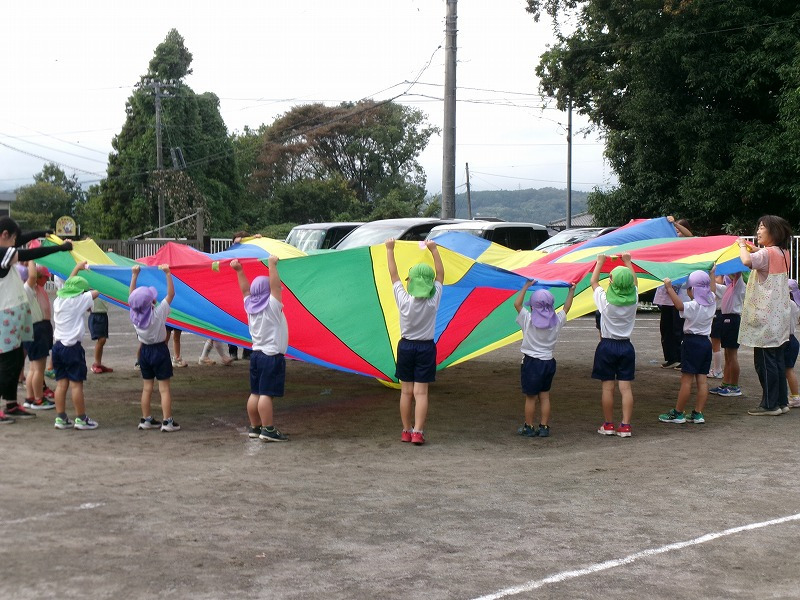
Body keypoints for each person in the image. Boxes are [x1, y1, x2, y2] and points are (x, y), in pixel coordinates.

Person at [0, 218, 72, 424]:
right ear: (5, 234)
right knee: (5, 362)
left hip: (16, 312)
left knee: (15, 361)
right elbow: (29, 253)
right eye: (13, 238)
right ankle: (6, 405)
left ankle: (12, 404)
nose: (16, 242)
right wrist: (60, 248)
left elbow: (22, 240)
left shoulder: (4, 247)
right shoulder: (1, 253)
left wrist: (42, 232)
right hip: (5, 314)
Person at [385, 238, 444, 446]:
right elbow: (441, 275)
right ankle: (418, 432)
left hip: (406, 347)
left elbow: (393, 275)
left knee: (406, 392)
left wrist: (390, 249)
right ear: (428, 284)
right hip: (426, 348)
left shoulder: (403, 300)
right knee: (421, 393)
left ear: (410, 281)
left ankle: (405, 430)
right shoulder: (433, 300)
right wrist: (434, 250)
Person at [738, 216, 793, 416]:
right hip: (778, 318)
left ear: (774, 232)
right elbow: (763, 257)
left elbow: (746, 261)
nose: (758, 231)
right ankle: (781, 401)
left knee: (764, 362)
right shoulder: (783, 252)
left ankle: (769, 405)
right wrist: (753, 248)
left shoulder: (766, 254)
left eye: (762, 228)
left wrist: (741, 246)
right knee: (777, 359)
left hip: (764, 317)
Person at [231, 255, 289, 442]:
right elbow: (275, 287)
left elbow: (245, 290)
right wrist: (272, 265)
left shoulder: (249, 306)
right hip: (271, 356)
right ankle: (268, 429)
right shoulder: (272, 306)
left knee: (255, 392)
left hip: (256, 355)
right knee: (266, 394)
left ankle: (255, 426)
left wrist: (239, 270)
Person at [514, 280, 575, 438]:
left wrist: (526, 285)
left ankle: (529, 426)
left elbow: (517, 304)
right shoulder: (557, 321)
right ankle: (544, 426)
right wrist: (571, 291)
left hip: (531, 363)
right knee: (545, 396)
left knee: (531, 397)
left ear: (533, 307)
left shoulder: (528, 320)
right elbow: (567, 307)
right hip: (548, 362)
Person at [658, 269, 717, 425]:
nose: (689, 292)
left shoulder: (692, 305)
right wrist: (712, 274)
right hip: (705, 343)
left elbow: (678, 306)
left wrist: (669, 288)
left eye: (689, 289)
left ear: (694, 290)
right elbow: (712, 289)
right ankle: (698, 413)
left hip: (691, 343)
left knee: (686, 381)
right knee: (702, 381)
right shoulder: (712, 301)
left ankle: (678, 412)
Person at [590, 252, 638, 437]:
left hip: (607, 346)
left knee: (607, 387)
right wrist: (628, 262)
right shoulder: (633, 299)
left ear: (611, 282)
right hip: (626, 347)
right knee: (626, 388)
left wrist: (600, 262)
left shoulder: (605, 301)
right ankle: (625, 426)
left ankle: (608, 424)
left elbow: (594, 282)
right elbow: (635, 283)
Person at [128, 264, 180, 432]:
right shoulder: (158, 313)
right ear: (151, 302)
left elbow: (132, 298)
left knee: (147, 387)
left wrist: (134, 275)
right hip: (159, 351)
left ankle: (146, 419)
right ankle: (167, 421)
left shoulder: (134, 315)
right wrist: (168, 273)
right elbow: (171, 294)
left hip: (144, 352)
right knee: (164, 389)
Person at [52, 261, 100, 430]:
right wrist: (104, 279)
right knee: (77, 384)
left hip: (57, 348)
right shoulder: (79, 301)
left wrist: (78, 268)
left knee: (61, 384)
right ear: (81, 292)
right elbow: (98, 291)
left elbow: (70, 284)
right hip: (72, 349)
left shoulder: (59, 300)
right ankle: (81, 418)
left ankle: (61, 418)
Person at [653, 216, 693, 370]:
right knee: (666, 329)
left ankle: (681, 358)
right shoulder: (666, 245)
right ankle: (671, 358)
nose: (677, 233)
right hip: (665, 295)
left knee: (679, 329)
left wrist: (675, 223)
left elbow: (690, 237)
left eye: (678, 230)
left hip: (679, 295)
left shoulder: (686, 247)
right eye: (674, 231)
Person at [21, 263, 56, 410]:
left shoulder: (36, 289)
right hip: (36, 329)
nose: (47, 281)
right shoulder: (27, 289)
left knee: (34, 367)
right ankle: (38, 399)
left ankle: (30, 398)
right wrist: (31, 257)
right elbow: (33, 275)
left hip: (38, 329)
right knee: (38, 369)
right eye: (45, 277)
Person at [709, 272, 746, 398]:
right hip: (726, 319)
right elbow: (712, 286)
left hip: (733, 320)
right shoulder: (729, 287)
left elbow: (738, 272)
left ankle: (734, 386)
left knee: (732, 355)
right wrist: (712, 273)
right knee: (727, 355)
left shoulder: (739, 284)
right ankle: (725, 383)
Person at [228, 230, 259, 361]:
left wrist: (257, 240)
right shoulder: (229, 255)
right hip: (232, 293)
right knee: (232, 322)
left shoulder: (252, 254)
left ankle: (247, 350)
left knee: (249, 323)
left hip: (246, 292)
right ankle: (233, 351)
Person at [88, 296, 113, 374]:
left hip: (103, 314)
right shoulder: (91, 286)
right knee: (102, 339)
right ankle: (96, 364)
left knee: (102, 339)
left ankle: (98, 363)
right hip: (95, 315)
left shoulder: (104, 288)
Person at [786, 280, 800, 408]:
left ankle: (795, 396)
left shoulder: (789, 304)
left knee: (788, 370)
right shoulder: (795, 304)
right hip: (792, 340)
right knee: (788, 370)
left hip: (788, 340)